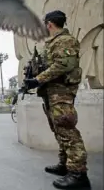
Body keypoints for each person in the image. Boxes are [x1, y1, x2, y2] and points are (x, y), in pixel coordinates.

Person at [24, 10, 90, 189]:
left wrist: (38, 80)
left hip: (61, 91)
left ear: (49, 24)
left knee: (67, 129)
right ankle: (65, 165)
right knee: (58, 129)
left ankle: (78, 174)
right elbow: (49, 65)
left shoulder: (65, 40)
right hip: (52, 91)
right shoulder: (52, 43)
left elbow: (62, 65)